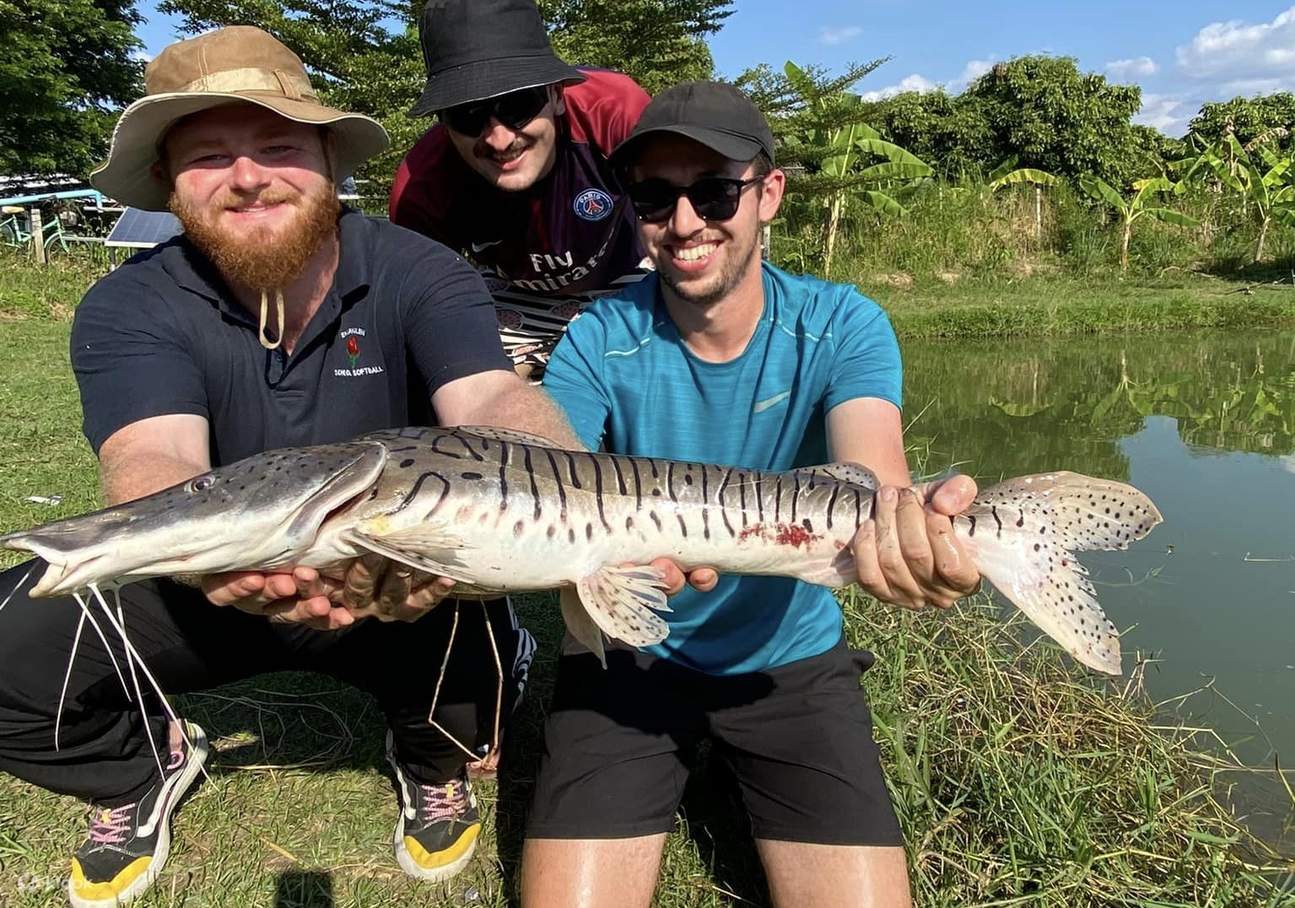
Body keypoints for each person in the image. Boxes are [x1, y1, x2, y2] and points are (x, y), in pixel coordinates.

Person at [0, 27, 638, 907]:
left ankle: (432, 759)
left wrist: (572, 483)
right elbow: (153, 456)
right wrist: (218, 560)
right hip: (210, 572)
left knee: (466, 631)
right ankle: (138, 771)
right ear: (166, 183)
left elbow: (491, 398)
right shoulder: (129, 302)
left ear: (330, 159)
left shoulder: (418, 268)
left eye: (278, 147)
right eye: (211, 155)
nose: (249, 176)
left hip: (396, 573)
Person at [522, 82, 983, 907]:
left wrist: (910, 536)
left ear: (767, 194)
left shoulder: (842, 323)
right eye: (655, 198)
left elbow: (870, 474)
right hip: (627, 652)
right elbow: (549, 470)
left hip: (788, 662)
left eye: (713, 192)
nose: (685, 222)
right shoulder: (595, 336)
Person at [389, 0, 652, 378]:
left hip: (627, 274)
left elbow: (685, 214)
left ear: (557, 96)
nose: (499, 139)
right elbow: (415, 304)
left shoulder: (615, 112)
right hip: (511, 295)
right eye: (468, 115)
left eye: (517, 105)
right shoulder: (422, 187)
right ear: (443, 123)